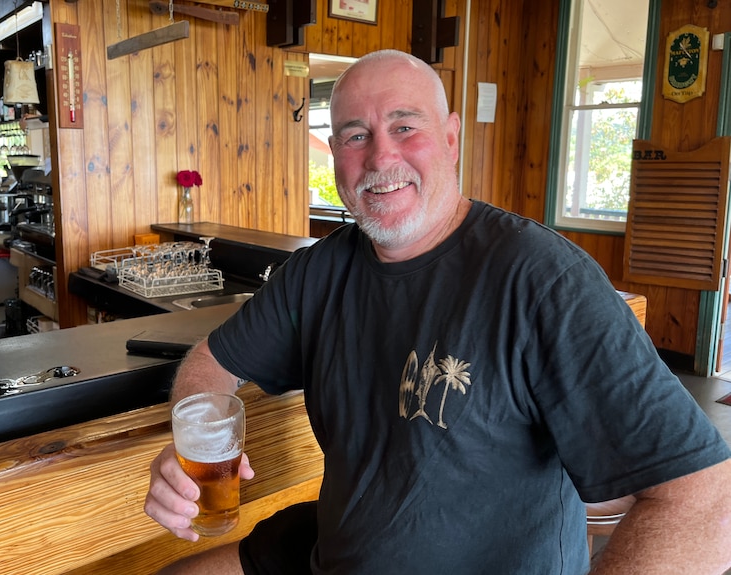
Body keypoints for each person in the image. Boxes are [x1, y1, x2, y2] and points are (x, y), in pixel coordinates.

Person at [144, 49, 731, 574]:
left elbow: (706, 500)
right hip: (339, 543)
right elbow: (210, 361)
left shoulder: (544, 280)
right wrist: (188, 436)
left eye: (405, 126)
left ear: (451, 138)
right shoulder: (318, 272)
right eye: (354, 136)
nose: (380, 156)